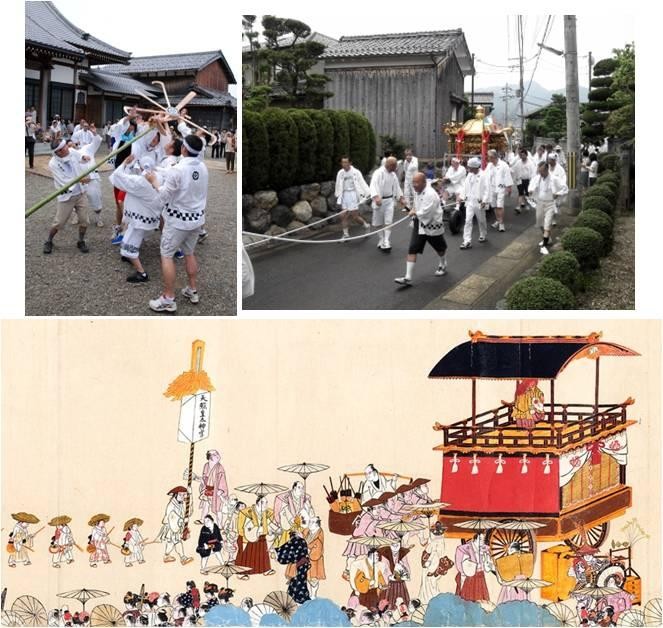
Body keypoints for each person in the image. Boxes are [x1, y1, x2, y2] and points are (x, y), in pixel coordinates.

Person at [144, 134, 209, 313]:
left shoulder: (178, 169)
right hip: (197, 219)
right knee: (189, 252)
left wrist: (154, 182)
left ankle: (168, 298)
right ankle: (192, 289)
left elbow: (164, 195)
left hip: (178, 220)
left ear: (184, 149)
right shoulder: (203, 166)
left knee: (167, 255)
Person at [109, 154, 162, 282]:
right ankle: (130, 257)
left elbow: (117, 177)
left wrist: (125, 164)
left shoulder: (139, 182)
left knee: (128, 246)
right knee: (133, 236)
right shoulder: (158, 177)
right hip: (150, 217)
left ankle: (141, 273)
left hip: (140, 220)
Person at [394, 172, 447, 286]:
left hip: (432, 224)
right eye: (413, 182)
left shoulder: (431, 194)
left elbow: (427, 212)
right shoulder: (417, 190)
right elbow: (417, 204)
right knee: (413, 248)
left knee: (439, 248)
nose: (414, 185)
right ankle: (408, 277)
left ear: (424, 182)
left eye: (416, 182)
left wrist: (415, 212)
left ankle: (443, 263)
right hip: (419, 223)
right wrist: (412, 208)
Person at [42, 138, 93, 254]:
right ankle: (49, 241)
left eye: (65, 146)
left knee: (85, 221)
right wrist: (81, 179)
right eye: (63, 148)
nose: (66, 148)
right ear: (57, 152)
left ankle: (81, 241)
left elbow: (81, 157)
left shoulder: (71, 151)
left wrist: (84, 158)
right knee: (59, 222)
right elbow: (64, 181)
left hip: (81, 193)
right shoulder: (53, 163)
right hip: (67, 196)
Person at [528, 161, 568, 255]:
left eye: (541, 171)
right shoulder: (537, 178)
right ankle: (547, 239)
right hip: (540, 203)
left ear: (546, 170)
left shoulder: (554, 179)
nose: (540, 173)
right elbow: (531, 185)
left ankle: (544, 246)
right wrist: (530, 191)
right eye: (539, 171)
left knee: (547, 224)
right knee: (540, 223)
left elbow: (565, 188)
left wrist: (557, 194)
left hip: (550, 203)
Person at [369, 156, 404, 251]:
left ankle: (386, 240)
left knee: (388, 222)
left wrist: (401, 198)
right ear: (389, 165)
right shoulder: (378, 173)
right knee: (377, 223)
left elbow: (397, 187)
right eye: (395, 166)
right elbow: (373, 185)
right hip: (379, 201)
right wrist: (376, 197)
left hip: (389, 201)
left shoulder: (393, 175)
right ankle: (381, 239)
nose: (396, 168)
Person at [236, 495, 276, 577]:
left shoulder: (265, 512)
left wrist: (277, 529)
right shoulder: (249, 512)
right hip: (249, 536)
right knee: (247, 555)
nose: (266, 505)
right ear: (258, 503)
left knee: (262, 554)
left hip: (261, 537)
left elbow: (269, 522)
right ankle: (242, 573)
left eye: (266, 502)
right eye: (263, 503)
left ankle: (265, 569)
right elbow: (247, 527)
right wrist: (258, 529)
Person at [334, 156, 371, 240]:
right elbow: (338, 184)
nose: (344, 164)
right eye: (342, 162)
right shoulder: (340, 173)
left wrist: (367, 193)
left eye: (346, 162)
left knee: (354, 216)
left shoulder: (356, 172)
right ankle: (346, 234)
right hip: (344, 195)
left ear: (350, 163)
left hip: (353, 194)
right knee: (343, 215)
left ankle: (366, 225)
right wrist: (338, 194)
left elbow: (362, 182)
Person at [157, 485, 194, 565]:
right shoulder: (171, 505)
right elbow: (172, 517)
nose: (183, 496)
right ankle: (183, 558)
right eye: (181, 494)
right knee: (177, 542)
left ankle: (166, 556)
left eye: (184, 495)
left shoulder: (181, 503)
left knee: (171, 542)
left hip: (176, 527)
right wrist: (182, 520)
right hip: (171, 526)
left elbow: (189, 511)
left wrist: (190, 495)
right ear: (176, 495)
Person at [454, 532, 494, 602]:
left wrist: (486, 560)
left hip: (480, 576)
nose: (482, 541)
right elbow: (463, 565)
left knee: (481, 599)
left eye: (483, 539)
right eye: (481, 539)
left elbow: (487, 566)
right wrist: (474, 565)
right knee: (468, 598)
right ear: (475, 539)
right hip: (470, 578)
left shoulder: (484, 549)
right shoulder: (466, 548)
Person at [273, 481, 313, 548]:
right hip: (288, 527)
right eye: (299, 487)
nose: (301, 490)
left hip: (301, 527)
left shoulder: (304, 498)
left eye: (302, 488)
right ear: (294, 488)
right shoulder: (286, 497)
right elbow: (284, 511)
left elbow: (310, 512)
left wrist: (308, 509)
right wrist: (292, 520)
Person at [418, 522, 450, 605]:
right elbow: (424, 544)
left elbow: (435, 555)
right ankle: (428, 600)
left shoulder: (437, 542)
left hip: (433, 565)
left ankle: (430, 600)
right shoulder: (435, 541)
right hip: (431, 564)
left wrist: (429, 565)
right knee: (428, 584)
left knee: (430, 584)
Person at [459, 157, 488, 249]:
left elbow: (487, 189)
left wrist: (484, 201)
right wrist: (461, 196)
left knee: (481, 220)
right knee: (467, 221)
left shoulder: (483, 175)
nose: (468, 168)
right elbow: (465, 186)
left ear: (475, 167)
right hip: (470, 202)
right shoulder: (469, 175)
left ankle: (483, 234)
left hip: (479, 202)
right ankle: (467, 241)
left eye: (470, 167)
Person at [277, 530, 311, 604]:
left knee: (296, 583)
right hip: (303, 565)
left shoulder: (296, 541)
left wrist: (277, 552)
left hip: (299, 565)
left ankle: (297, 599)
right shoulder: (302, 541)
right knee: (300, 582)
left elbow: (288, 552)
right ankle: (301, 599)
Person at [197, 449, 229, 525]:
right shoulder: (206, 465)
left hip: (216, 490)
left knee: (218, 509)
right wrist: (203, 482)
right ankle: (202, 519)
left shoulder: (219, 467)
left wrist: (221, 490)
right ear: (210, 457)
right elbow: (204, 476)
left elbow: (222, 479)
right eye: (215, 454)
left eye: (217, 454)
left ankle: (220, 525)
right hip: (207, 489)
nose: (217, 455)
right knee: (206, 504)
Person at [484, 149, 513, 232]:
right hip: (492, 188)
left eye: (489, 157)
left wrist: (509, 188)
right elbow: (485, 175)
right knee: (494, 206)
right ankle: (498, 220)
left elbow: (507, 176)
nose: (488, 159)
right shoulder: (489, 165)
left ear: (493, 157)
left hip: (501, 187)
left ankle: (501, 223)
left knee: (500, 206)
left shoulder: (503, 165)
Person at [378, 541, 412, 610]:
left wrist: (403, 567)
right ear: (390, 544)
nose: (395, 546)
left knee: (403, 602)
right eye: (393, 544)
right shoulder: (385, 553)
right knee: (389, 602)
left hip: (400, 582)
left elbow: (408, 569)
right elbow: (385, 569)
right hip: (389, 582)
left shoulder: (402, 553)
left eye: (397, 544)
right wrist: (391, 576)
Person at [304, 516, 326, 598]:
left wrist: (309, 550)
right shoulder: (308, 531)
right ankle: (309, 594)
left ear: (317, 524)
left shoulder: (319, 533)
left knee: (314, 579)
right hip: (306, 558)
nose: (309, 524)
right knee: (307, 577)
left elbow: (318, 547)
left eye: (312, 522)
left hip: (315, 559)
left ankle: (313, 595)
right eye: (310, 521)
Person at [510, 148, 536, 213]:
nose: (522, 156)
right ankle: (518, 207)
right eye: (521, 155)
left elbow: (533, 172)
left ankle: (527, 205)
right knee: (520, 193)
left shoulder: (530, 163)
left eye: (524, 155)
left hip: (528, 180)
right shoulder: (518, 162)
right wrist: (508, 170)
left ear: (526, 155)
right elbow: (514, 169)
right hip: (520, 180)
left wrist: (532, 181)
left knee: (527, 194)